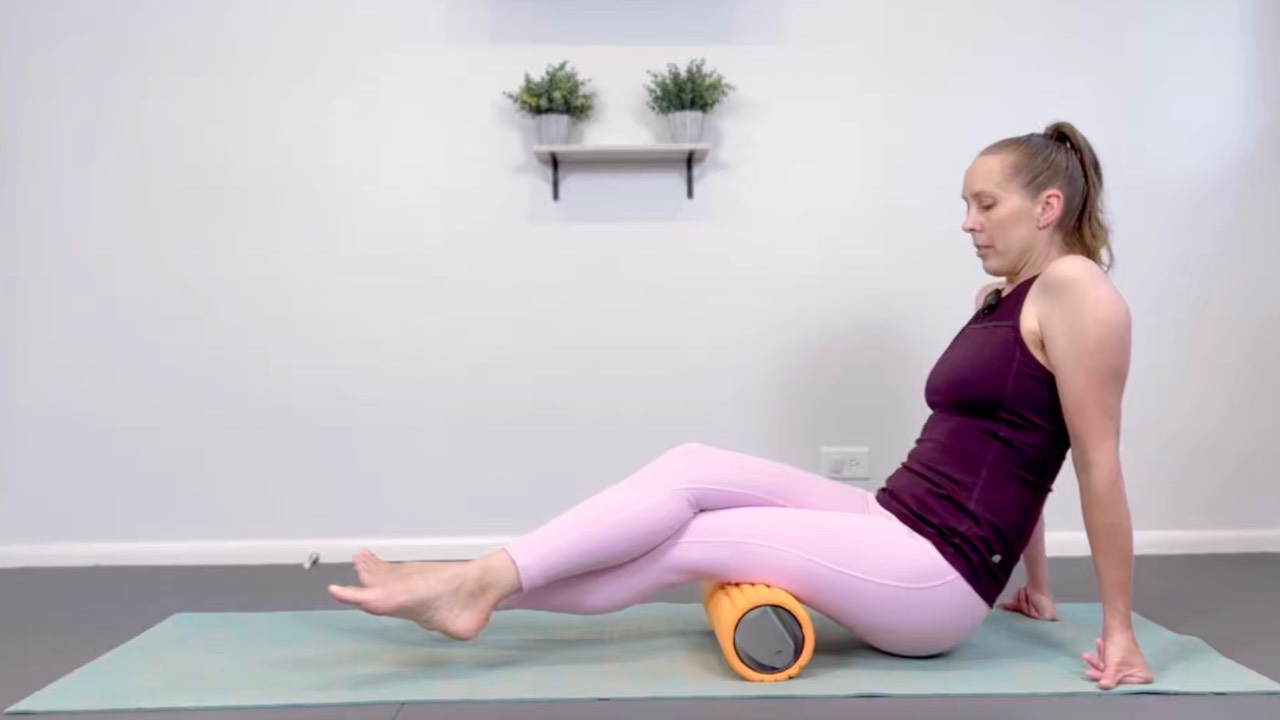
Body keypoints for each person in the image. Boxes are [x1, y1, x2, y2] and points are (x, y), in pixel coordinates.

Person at [327, 121, 1154, 690]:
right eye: (966, 203)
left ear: (1048, 208)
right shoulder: (1002, 298)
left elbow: (1094, 460)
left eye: (986, 204)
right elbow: (1021, 444)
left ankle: (470, 588)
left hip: (933, 580)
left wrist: (1117, 629)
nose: (967, 222)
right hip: (896, 522)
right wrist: (1034, 583)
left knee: (695, 541)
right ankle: (470, 581)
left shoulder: (1079, 291)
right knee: (693, 467)